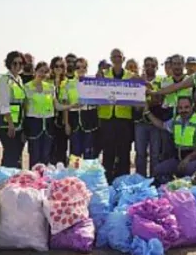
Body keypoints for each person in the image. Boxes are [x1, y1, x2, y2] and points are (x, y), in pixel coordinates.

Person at [145, 96, 196, 184]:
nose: (183, 110)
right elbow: (162, 125)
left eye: (186, 107)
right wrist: (147, 112)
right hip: (179, 158)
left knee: (188, 170)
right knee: (158, 170)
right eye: (180, 108)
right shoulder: (176, 120)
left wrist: (188, 158)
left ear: (192, 107)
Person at [24, 62, 75, 167]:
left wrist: (71, 106)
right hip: (34, 124)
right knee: (34, 156)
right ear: (35, 71)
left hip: (48, 124)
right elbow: (24, 109)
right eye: (40, 71)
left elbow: (57, 106)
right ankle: (33, 180)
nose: (42, 74)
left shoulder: (50, 87)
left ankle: (44, 181)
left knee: (46, 156)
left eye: (45, 72)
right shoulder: (27, 87)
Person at [97, 49, 135, 182]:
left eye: (119, 56)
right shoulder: (103, 75)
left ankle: (123, 180)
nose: (117, 59)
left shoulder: (131, 76)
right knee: (108, 152)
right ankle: (107, 181)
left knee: (124, 152)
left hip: (124, 119)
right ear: (111, 59)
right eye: (114, 57)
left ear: (123, 59)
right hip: (107, 118)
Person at [0, 51, 27, 168]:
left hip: (18, 123)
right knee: (10, 155)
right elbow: (3, 104)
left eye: (21, 63)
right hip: (8, 125)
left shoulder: (19, 79)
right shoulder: (5, 80)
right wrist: (10, 124)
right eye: (15, 63)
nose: (18, 66)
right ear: (9, 64)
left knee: (17, 156)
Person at [134, 57, 163, 177]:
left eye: (152, 65)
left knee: (155, 154)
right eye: (147, 65)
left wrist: (149, 89)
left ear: (157, 67)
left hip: (155, 121)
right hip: (140, 121)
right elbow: (134, 101)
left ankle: (154, 179)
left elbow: (160, 100)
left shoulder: (161, 80)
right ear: (143, 66)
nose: (150, 67)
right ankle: (140, 179)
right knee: (140, 153)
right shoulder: (137, 80)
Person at [64, 57, 98, 159]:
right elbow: (65, 105)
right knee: (75, 152)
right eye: (78, 67)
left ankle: (87, 174)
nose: (81, 69)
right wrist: (66, 124)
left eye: (83, 67)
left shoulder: (92, 83)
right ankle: (74, 174)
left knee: (88, 151)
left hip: (88, 119)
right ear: (74, 69)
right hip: (74, 119)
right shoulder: (68, 84)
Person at [53, 53, 78, 164]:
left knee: (75, 149)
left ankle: (73, 173)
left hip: (73, 118)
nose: (70, 64)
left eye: (73, 61)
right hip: (56, 119)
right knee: (59, 149)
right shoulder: (52, 80)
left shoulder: (78, 79)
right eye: (68, 61)